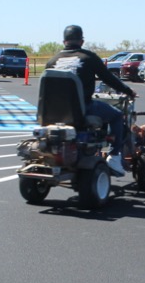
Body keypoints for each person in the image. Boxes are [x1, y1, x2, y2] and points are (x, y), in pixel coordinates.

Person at [44, 24, 136, 175]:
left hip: (53, 114)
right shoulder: (88, 58)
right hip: (82, 109)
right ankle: (114, 156)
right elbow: (108, 78)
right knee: (117, 116)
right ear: (81, 41)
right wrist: (128, 91)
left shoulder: (52, 61)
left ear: (63, 41)